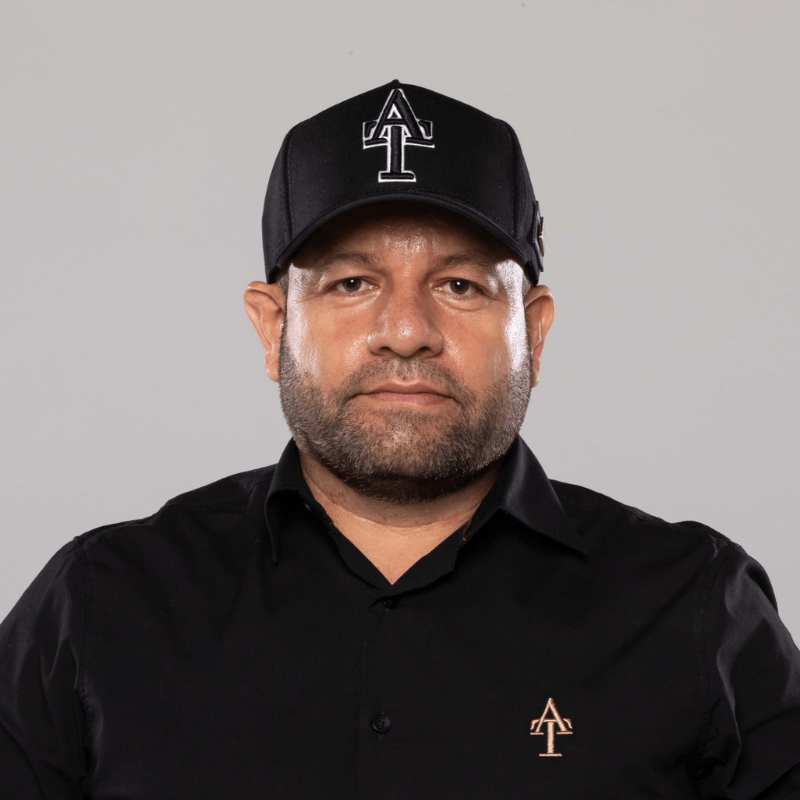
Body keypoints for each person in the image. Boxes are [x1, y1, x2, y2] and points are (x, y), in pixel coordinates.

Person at [1, 80, 798, 799]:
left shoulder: (694, 606)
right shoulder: (103, 604)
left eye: (460, 285)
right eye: (352, 283)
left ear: (534, 331)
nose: (407, 331)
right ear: (273, 327)